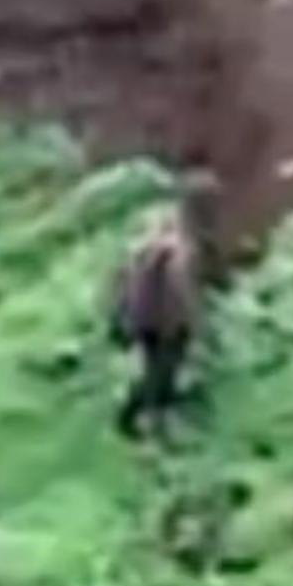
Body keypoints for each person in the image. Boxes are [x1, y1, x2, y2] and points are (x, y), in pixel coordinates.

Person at [109, 180, 214, 440]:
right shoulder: (173, 250)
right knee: (162, 370)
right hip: (164, 322)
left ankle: (153, 413)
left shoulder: (147, 246)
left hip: (145, 318)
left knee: (157, 368)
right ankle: (142, 418)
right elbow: (179, 289)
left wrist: (122, 314)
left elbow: (125, 280)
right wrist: (192, 319)